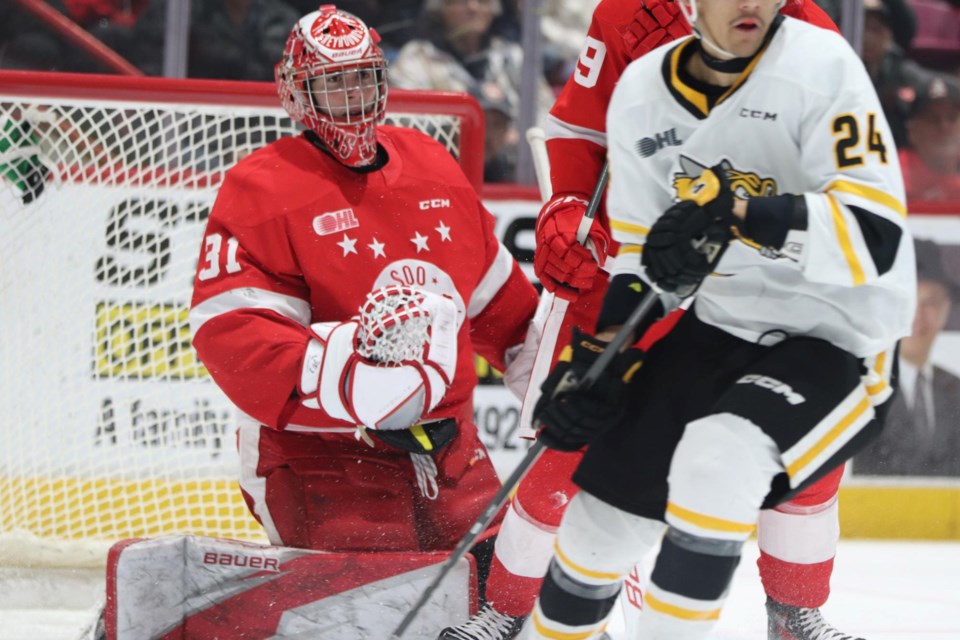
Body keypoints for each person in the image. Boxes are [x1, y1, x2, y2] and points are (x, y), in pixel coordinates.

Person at [438, 1, 869, 639]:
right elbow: (575, 129)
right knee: (566, 452)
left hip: (756, 275)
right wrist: (564, 205)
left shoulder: (813, 29)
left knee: (802, 450)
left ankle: (794, 615)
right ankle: (506, 612)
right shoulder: (628, 14)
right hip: (633, 265)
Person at [189, 4, 539, 567]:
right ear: (297, 93)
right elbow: (232, 331)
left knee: (503, 590)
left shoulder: (431, 163)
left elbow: (497, 300)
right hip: (322, 455)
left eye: (361, 79)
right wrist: (350, 382)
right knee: (366, 604)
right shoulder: (261, 187)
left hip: (452, 451)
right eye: (333, 83)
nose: (352, 96)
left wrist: (549, 367)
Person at [388, 0, 554, 183]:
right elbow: (401, 125)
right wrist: (459, 133)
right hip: (443, 178)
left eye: (483, 1)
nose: (473, 8)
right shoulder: (416, 59)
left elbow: (548, 116)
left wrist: (514, 136)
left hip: (512, 177)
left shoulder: (513, 56)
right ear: (439, 8)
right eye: (460, 1)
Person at [855, 239, 960, 476]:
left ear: (946, 308)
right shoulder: (858, 384)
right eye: (908, 301)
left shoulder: (955, 390)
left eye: (930, 302)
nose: (918, 316)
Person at [899, 73, 960, 201]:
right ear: (912, 132)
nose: (944, 127)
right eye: (933, 119)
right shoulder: (895, 173)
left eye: (952, 118)